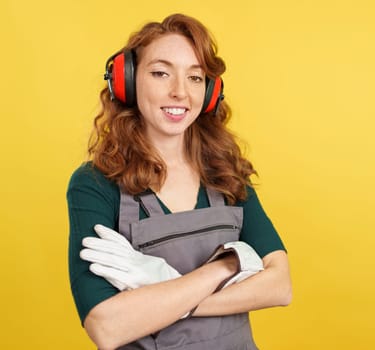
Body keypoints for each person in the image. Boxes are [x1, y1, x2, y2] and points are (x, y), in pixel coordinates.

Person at [67, 13, 292, 350]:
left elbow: (279, 285)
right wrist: (224, 269)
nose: (180, 93)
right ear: (128, 81)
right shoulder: (96, 184)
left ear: (210, 91)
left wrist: (162, 289)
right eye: (160, 73)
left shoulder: (227, 172)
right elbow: (107, 326)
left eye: (195, 78)